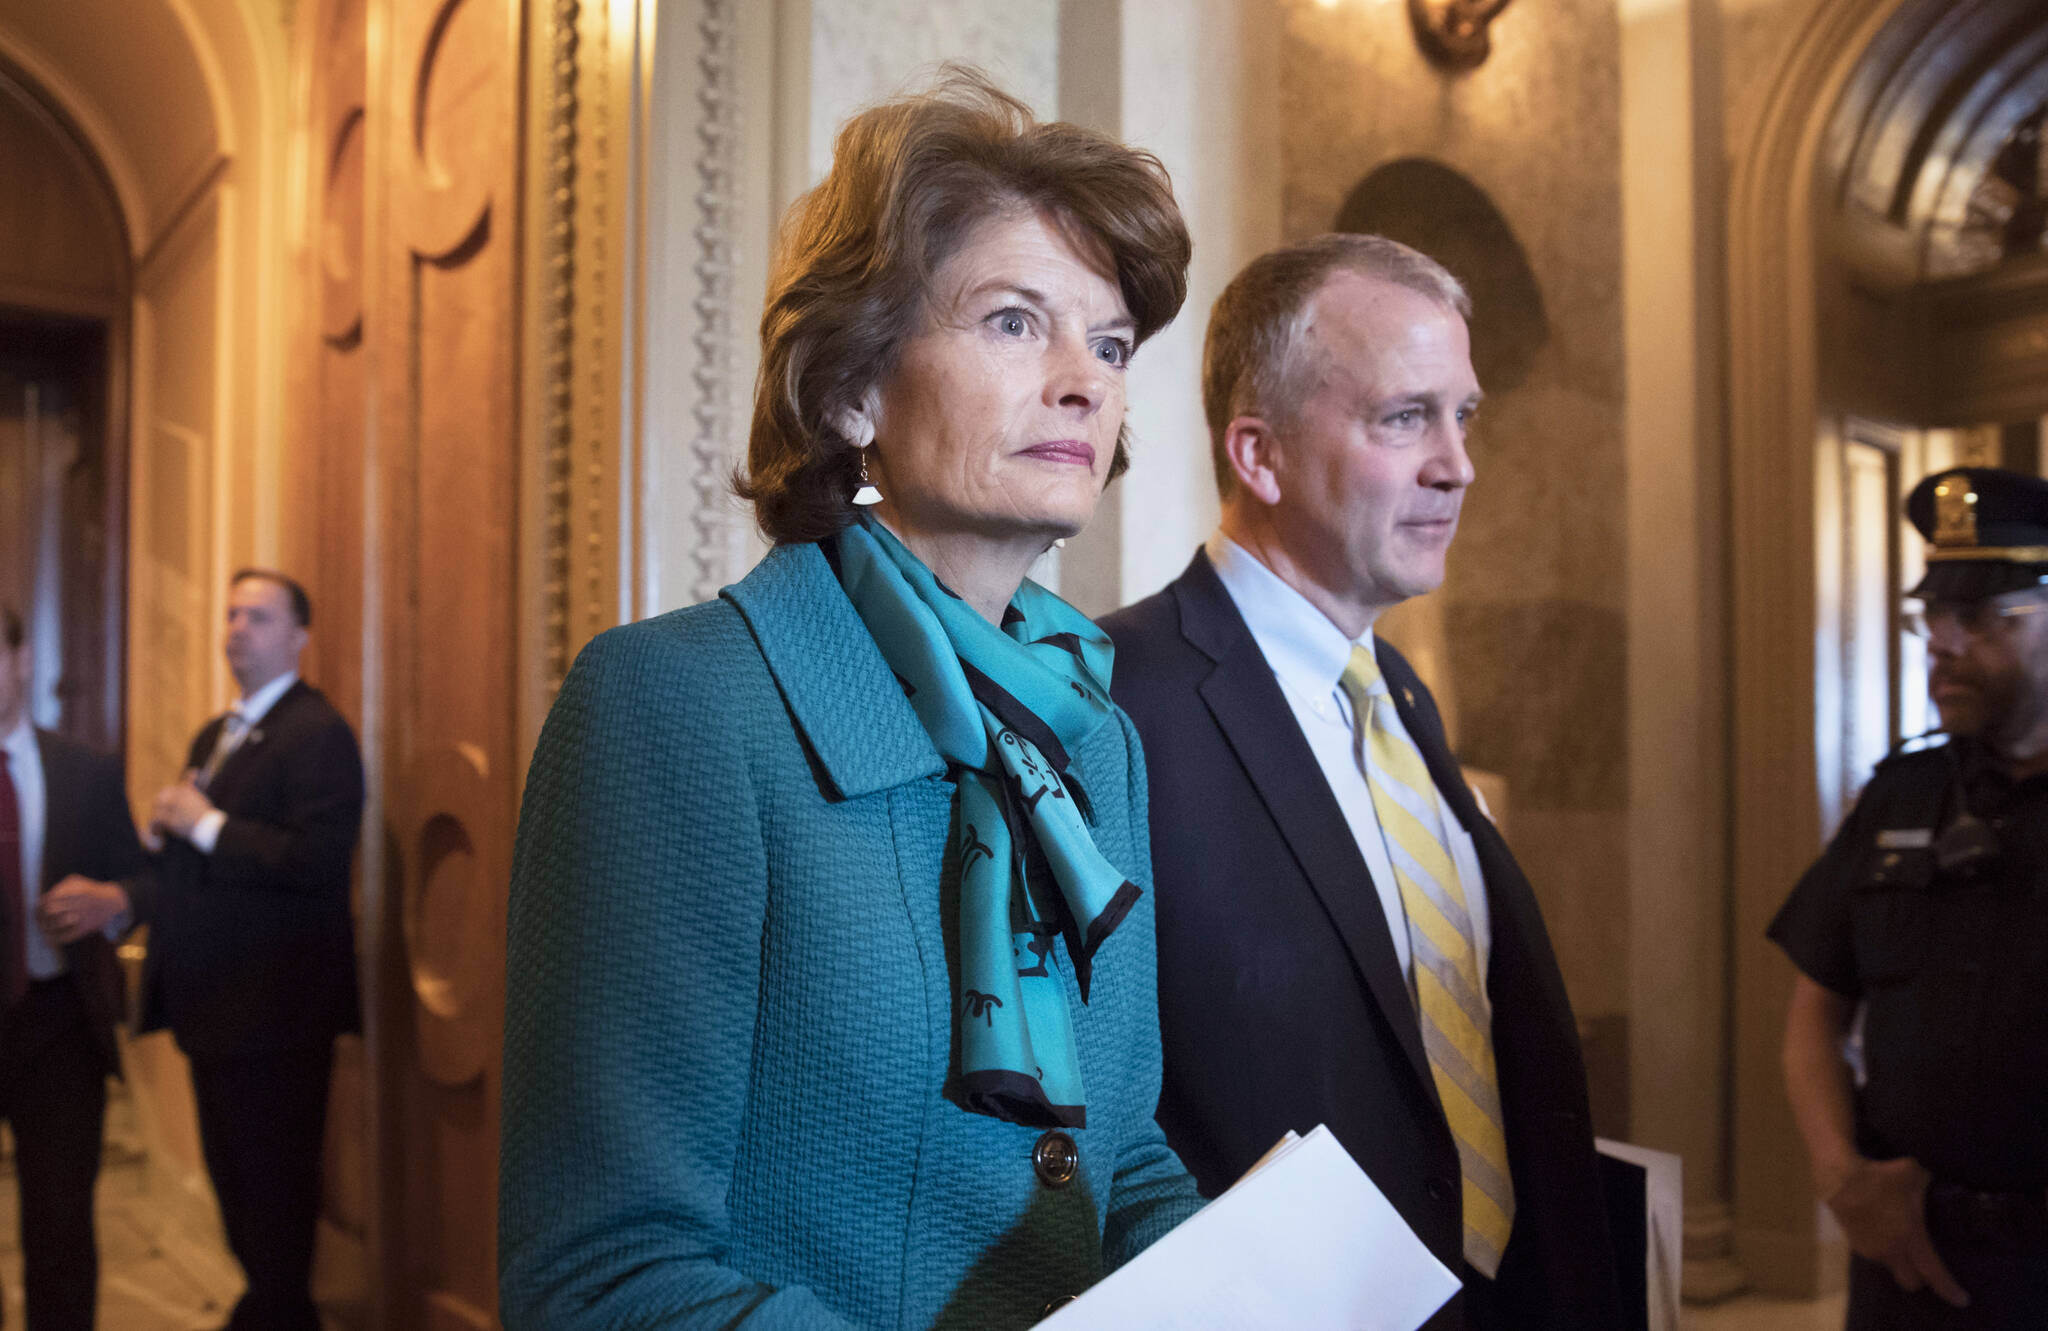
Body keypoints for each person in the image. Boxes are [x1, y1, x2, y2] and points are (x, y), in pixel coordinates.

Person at [499, 72, 1202, 1330]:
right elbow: (599, 1277)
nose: (1084, 381)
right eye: (1011, 322)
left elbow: (1121, 1156)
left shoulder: (1099, 739)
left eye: (1105, 343)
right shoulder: (672, 707)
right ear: (848, 392)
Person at [1101, 233, 1625, 1330]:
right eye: (1404, 417)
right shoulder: (1111, 699)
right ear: (1259, 453)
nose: (1457, 463)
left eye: (1462, 414)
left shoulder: (1398, 698)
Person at [1772, 466, 2048, 1329]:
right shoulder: (1902, 796)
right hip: (1903, 1260)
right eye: (1931, 615)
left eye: (1979, 616)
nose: (1942, 641)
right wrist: (1842, 1181)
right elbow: (1814, 1011)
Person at [139, 569, 365, 1331]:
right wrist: (167, 832)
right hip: (213, 1004)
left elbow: (317, 858)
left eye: (258, 616)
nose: (237, 628)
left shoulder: (319, 732)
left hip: (278, 1011)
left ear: (299, 635)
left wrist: (203, 824)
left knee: (274, 1183)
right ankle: (266, 1305)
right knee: (234, 1178)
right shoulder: (217, 732)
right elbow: (207, 844)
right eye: (232, 613)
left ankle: (278, 1311)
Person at [0, 605, 148, 1331]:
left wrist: (111, 899)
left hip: (59, 1026)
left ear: (21, 659)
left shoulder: (85, 772)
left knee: (60, 1223)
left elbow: (143, 881)